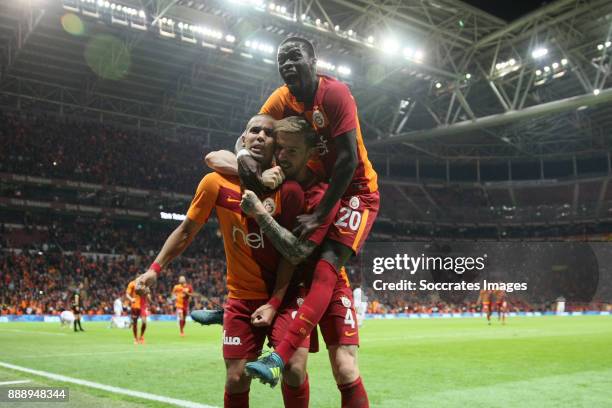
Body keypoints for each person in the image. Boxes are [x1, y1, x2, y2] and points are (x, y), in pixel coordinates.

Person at [134, 115, 312, 408]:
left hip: (287, 294)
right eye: (254, 131)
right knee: (236, 378)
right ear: (242, 140)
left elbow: (289, 253)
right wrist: (155, 269)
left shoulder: (288, 189)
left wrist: (275, 302)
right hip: (242, 297)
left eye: (268, 133)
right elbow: (187, 230)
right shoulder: (215, 182)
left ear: (276, 147)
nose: (260, 136)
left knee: (293, 369)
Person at [235, 37, 378, 395]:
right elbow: (249, 134)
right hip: (321, 188)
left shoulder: (334, 94)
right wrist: (243, 159)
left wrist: (319, 216)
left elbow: (347, 159)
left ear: (313, 60)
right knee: (313, 267)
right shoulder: (281, 99)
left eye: (294, 57)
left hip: (356, 192)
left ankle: (279, 356)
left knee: (327, 265)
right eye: (281, 59)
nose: (286, 64)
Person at [211, 116, 369, 406]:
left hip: (327, 284)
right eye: (280, 148)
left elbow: (296, 253)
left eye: (292, 151)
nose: (282, 156)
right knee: (290, 369)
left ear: (310, 155)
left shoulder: (322, 194)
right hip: (291, 286)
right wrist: (252, 170)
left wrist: (260, 212)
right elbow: (215, 156)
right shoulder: (273, 178)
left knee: (345, 368)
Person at [126, 278, 149, 344]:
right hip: (135, 306)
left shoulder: (144, 285)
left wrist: (148, 293)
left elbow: (148, 296)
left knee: (144, 322)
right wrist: (131, 299)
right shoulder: (132, 283)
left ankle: (141, 336)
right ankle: (135, 338)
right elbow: (127, 294)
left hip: (143, 306)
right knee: (135, 323)